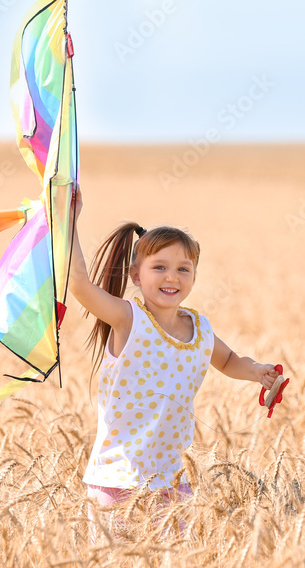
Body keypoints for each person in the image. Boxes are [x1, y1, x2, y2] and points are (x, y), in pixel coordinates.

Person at [67, 189, 280, 535]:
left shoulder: (199, 329)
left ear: (194, 277)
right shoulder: (127, 318)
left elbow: (229, 360)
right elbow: (78, 284)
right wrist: (68, 220)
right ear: (136, 275)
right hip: (116, 478)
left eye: (184, 268)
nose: (172, 277)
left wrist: (256, 371)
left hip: (172, 482)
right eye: (160, 267)